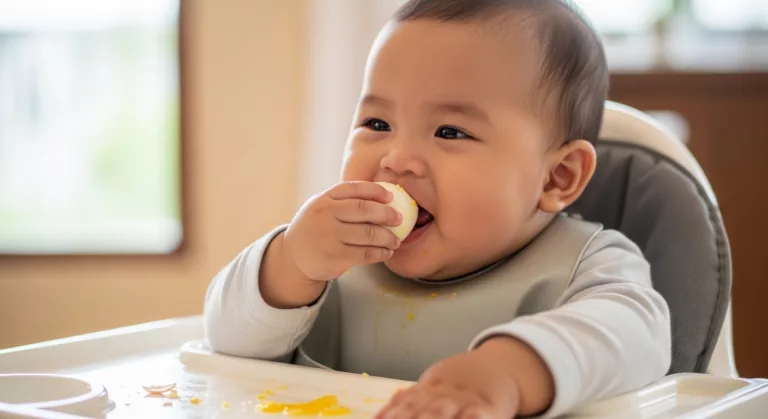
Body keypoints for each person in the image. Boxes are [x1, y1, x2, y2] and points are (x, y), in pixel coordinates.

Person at [204, 0, 672, 417]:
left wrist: (508, 373)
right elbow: (226, 344)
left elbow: (636, 338)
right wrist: (288, 264)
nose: (396, 158)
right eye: (377, 122)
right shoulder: (328, 258)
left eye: (449, 132)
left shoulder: (587, 266)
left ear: (556, 177)